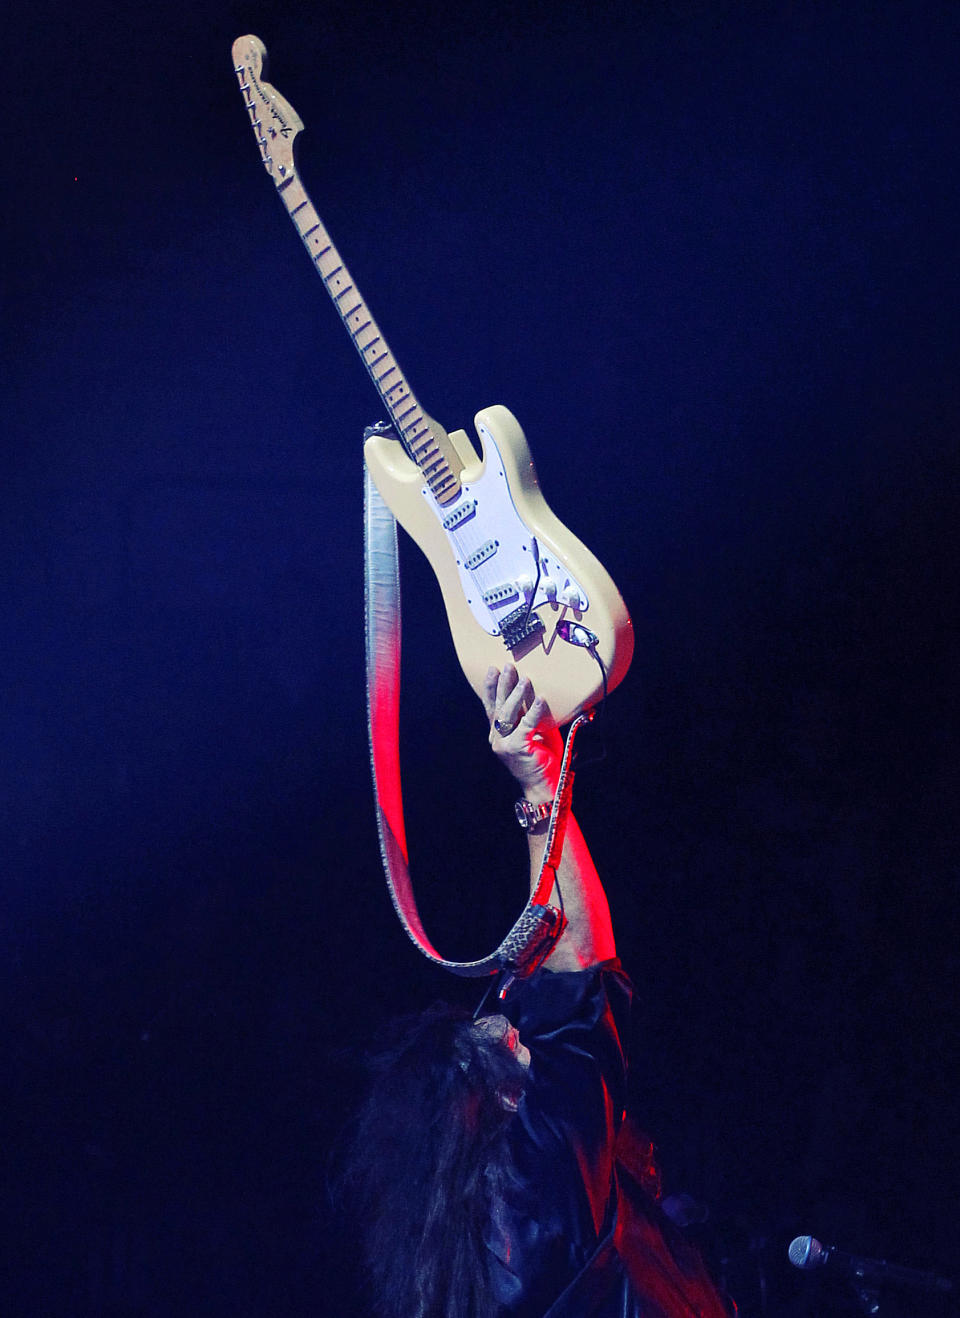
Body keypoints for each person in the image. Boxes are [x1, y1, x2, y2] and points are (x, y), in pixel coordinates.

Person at [345, 664, 730, 1318]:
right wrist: (539, 785)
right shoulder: (534, 1187)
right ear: (490, 1094)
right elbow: (575, 988)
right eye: (516, 1041)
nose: (521, 1027)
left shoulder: (457, 1264)